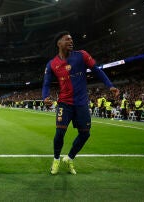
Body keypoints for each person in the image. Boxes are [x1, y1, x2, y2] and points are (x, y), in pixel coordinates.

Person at [42, 31, 119, 175]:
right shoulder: (52, 64)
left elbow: (97, 70)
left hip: (82, 103)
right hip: (64, 103)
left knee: (85, 134)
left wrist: (110, 85)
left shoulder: (82, 55)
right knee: (60, 133)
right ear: (59, 43)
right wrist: (45, 96)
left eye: (71, 39)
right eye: (67, 40)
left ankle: (69, 157)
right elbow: (46, 84)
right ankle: (56, 159)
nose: (71, 41)